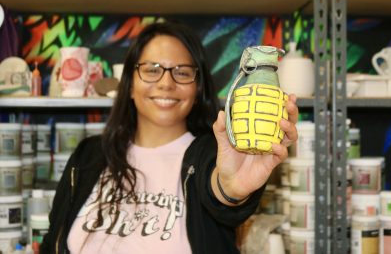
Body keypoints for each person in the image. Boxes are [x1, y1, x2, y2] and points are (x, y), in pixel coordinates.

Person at [41, 21, 298, 254]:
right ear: (130, 84)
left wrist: (230, 191)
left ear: (197, 88)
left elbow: (220, 192)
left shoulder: (213, 154)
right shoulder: (89, 155)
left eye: (182, 72)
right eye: (152, 70)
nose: (166, 83)